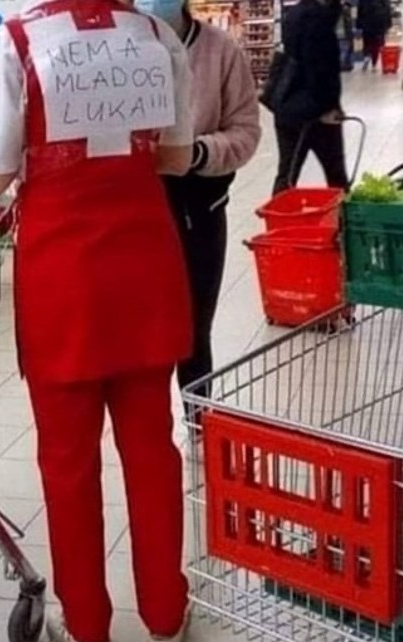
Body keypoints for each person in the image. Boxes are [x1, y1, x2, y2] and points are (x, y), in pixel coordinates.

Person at [0, 0, 193, 642]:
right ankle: (165, 615)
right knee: (152, 450)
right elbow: (177, 158)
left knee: (67, 460)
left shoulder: (17, 41)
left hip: (63, 272)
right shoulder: (157, 36)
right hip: (144, 266)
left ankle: (88, 626)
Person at [134, 0, 260, 394]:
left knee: (193, 330)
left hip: (198, 208)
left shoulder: (221, 51)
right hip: (130, 210)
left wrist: (198, 152)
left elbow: (245, 130)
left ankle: (198, 419)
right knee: (140, 335)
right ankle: (146, 425)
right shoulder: (114, 47)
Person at [272, 0, 349, 195]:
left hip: (288, 105)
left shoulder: (295, 14)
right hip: (313, 110)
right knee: (337, 177)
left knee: (287, 174)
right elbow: (318, 69)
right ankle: (342, 213)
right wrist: (327, 107)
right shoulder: (317, 19)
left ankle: (277, 212)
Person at [357, 0, 392, 71]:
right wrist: (388, 24)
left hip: (366, 21)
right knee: (376, 44)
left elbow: (360, 10)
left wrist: (359, 25)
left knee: (367, 41)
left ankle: (366, 57)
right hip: (379, 22)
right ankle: (374, 64)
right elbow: (388, 9)